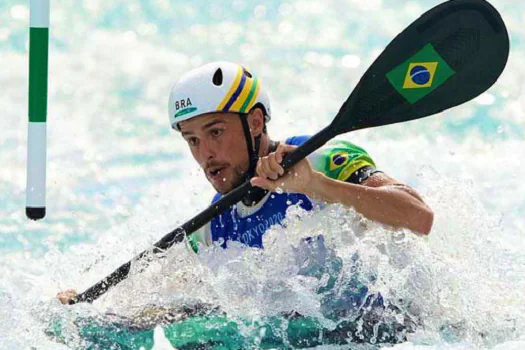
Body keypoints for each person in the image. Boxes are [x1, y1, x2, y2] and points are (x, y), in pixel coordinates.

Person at [57, 61, 433, 304]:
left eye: (215, 131)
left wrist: (318, 186)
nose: (205, 154)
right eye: (192, 140)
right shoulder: (213, 227)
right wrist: (88, 316)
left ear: (254, 123)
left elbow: (419, 217)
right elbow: (170, 306)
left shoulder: (319, 159)